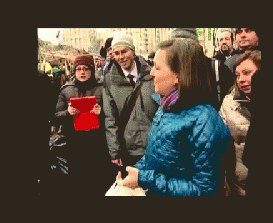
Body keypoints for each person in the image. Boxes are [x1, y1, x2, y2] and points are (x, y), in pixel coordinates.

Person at [116, 38, 231, 196]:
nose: (152, 73)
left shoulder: (204, 122)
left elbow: (204, 190)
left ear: (178, 75)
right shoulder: (166, 107)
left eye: (157, 67)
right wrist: (134, 172)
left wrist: (145, 179)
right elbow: (156, 156)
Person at [51, 54, 113, 197]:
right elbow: (55, 117)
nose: (82, 72)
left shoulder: (102, 87)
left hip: (98, 143)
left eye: (86, 69)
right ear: (74, 71)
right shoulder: (66, 89)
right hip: (75, 144)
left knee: (99, 180)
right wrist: (67, 112)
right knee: (78, 182)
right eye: (78, 69)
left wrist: (101, 111)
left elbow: (113, 114)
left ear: (92, 70)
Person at [102, 33, 159, 171]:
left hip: (156, 146)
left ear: (133, 51)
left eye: (124, 51)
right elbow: (110, 119)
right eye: (116, 53)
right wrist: (114, 151)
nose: (120, 57)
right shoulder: (110, 81)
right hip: (129, 150)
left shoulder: (151, 74)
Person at [219, 50, 261, 196]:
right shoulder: (229, 103)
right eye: (237, 75)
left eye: (247, 73)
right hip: (237, 182)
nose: (241, 79)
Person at [211, 29, 235, 107]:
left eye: (227, 39)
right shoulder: (213, 62)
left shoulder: (239, 59)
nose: (224, 42)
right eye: (221, 40)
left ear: (232, 41)